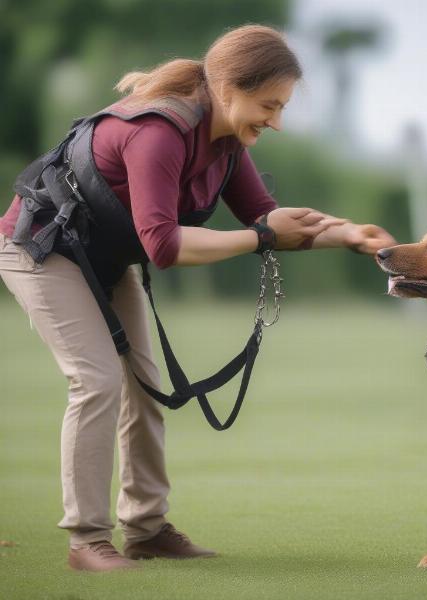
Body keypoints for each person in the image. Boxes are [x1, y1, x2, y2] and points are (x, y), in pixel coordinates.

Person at [0, 24, 395, 572]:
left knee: (143, 385)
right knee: (96, 380)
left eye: (282, 108)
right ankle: (87, 542)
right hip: (41, 249)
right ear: (229, 88)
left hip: (103, 259)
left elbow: (265, 215)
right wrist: (261, 238)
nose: (276, 121)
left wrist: (347, 234)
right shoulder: (160, 133)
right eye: (269, 104)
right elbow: (164, 246)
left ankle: (145, 528)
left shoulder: (228, 142)